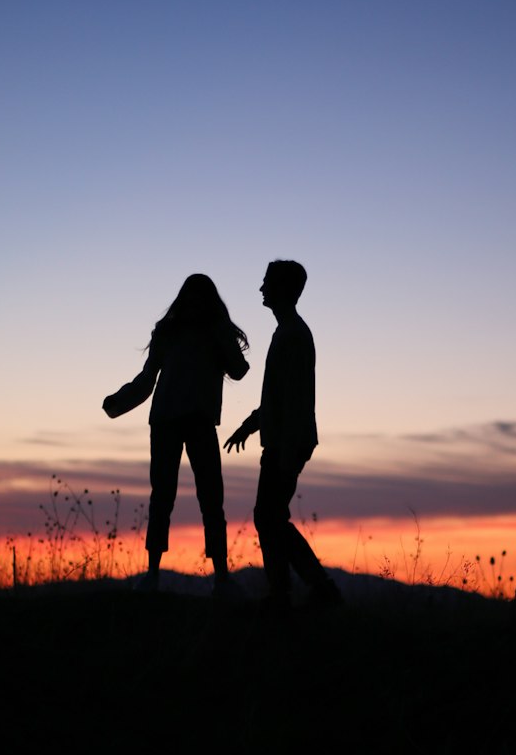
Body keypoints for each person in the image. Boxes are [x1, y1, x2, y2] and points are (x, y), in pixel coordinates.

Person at [103, 273, 249, 591]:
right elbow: (146, 380)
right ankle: (156, 573)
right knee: (167, 496)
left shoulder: (212, 332)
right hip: (169, 420)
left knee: (208, 497)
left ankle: (219, 576)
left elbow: (239, 370)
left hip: (195, 421)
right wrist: (118, 401)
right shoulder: (168, 332)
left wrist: (221, 335)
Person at [225, 260, 341, 611]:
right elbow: (279, 395)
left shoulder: (293, 335)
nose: (261, 289)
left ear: (284, 290)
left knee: (269, 516)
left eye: (267, 284)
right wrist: (252, 424)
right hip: (283, 438)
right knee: (270, 517)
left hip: (288, 441)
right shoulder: (288, 332)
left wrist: (286, 445)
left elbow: (292, 397)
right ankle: (289, 592)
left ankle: (313, 587)